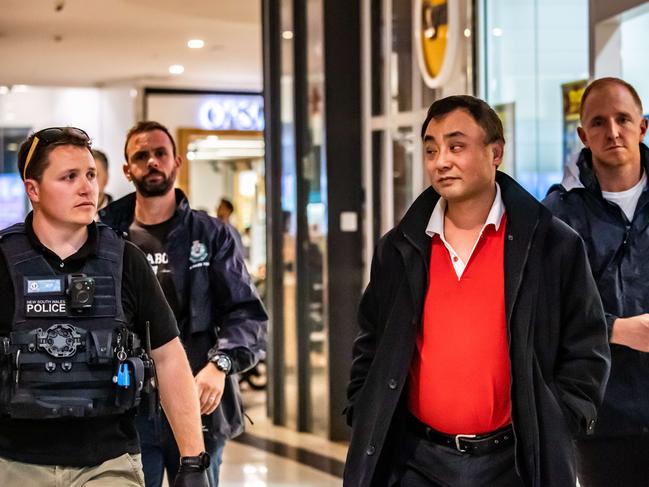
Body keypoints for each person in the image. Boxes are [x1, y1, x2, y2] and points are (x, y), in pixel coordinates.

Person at [344, 95, 611, 487]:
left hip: (513, 461)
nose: (441, 161)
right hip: (415, 460)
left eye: (456, 146)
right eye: (431, 149)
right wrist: (361, 406)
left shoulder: (551, 245)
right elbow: (372, 340)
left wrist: (559, 418)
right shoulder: (400, 247)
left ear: (495, 152)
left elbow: (586, 344)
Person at [0, 127, 210, 487]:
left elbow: (169, 358)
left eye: (90, 175)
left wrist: (193, 461)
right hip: (15, 463)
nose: (86, 188)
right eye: (69, 177)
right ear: (33, 189)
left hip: (108, 462)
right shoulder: (4, 262)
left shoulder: (127, 261)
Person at [100, 121, 267, 487]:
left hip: (199, 402)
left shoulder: (212, 234)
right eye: (141, 156)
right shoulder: (107, 239)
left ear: (176, 161)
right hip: (129, 409)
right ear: (128, 170)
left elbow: (247, 314)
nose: (152, 162)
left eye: (160, 153)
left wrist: (220, 364)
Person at [543, 77, 649, 487]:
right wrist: (617, 329)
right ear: (583, 135)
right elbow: (543, 311)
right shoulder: (558, 214)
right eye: (599, 122)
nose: (613, 131)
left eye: (623, 119)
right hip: (602, 420)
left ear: (642, 126)